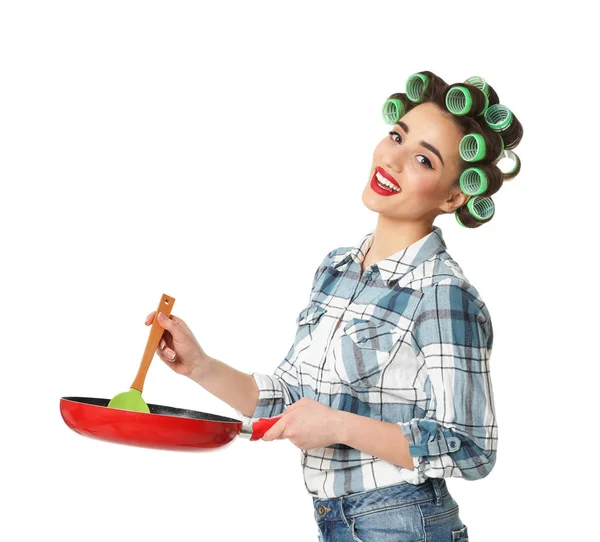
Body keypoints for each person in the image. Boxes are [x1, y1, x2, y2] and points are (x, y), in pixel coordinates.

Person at [144, 70, 523, 542]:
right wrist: (198, 366)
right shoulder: (336, 269)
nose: (393, 160)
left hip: (402, 523)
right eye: (396, 136)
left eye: (423, 159)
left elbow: (472, 449)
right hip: (337, 522)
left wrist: (338, 425)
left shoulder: (444, 295)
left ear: (454, 195)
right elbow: (290, 397)